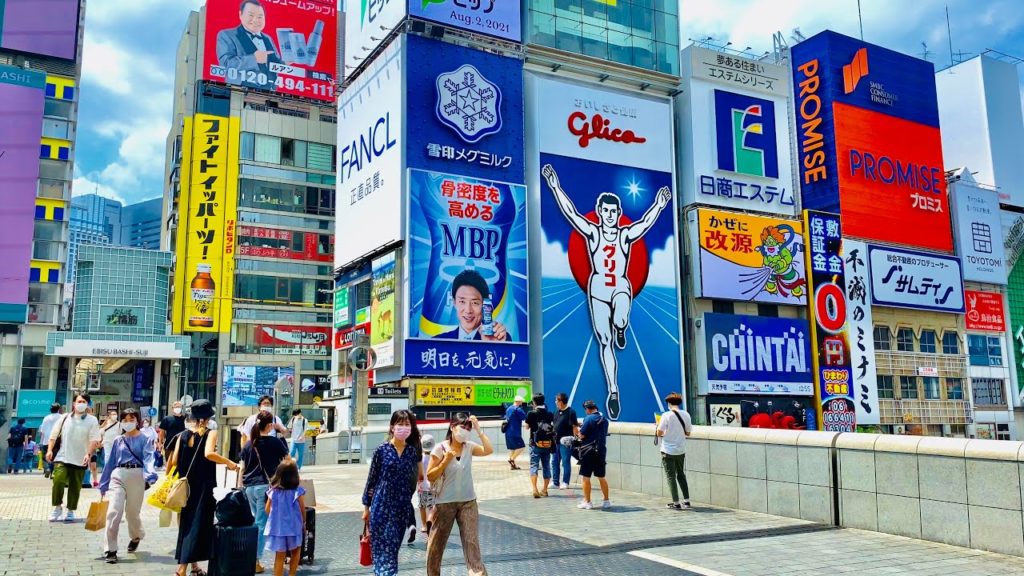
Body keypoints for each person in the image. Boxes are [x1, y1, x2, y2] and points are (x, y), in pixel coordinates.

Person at [542, 164, 672, 420]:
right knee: (605, 340)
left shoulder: (624, 235)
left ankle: (621, 327)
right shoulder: (592, 232)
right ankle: (613, 390)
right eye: (606, 211)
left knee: (621, 319)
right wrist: (555, 186)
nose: (610, 215)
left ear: (618, 212)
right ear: (600, 212)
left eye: (614, 211)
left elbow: (645, 224)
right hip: (598, 288)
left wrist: (659, 204)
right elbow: (571, 214)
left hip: (621, 286)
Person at [170, 400, 239, 576]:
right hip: (203, 486)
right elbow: (209, 453)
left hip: (186, 487)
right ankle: (182, 569)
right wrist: (229, 462)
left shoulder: (182, 435)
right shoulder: (210, 433)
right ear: (207, 418)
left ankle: (194, 567)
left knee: (187, 524)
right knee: (198, 526)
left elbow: (175, 460)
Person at [426, 413, 493, 576]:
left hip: (468, 502)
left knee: (472, 543)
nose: (465, 431)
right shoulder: (440, 448)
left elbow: (488, 450)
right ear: (452, 427)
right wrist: (445, 460)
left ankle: (477, 573)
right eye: (462, 427)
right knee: (436, 545)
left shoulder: (469, 447)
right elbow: (430, 475)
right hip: (445, 504)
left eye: (468, 428)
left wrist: (478, 429)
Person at [362, 410, 423, 575]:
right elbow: (371, 480)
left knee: (393, 549)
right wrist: (366, 508)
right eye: (400, 424)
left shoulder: (412, 452)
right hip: (381, 507)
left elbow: (415, 479)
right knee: (382, 550)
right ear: (392, 427)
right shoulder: (381, 451)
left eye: (407, 425)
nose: (404, 428)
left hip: (401, 509)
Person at [98, 408, 158, 564]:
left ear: (137, 421)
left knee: (132, 513)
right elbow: (110, 462)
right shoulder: (119, 440)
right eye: (124, 420)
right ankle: (110, 549)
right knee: (113, 512)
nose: (128, 422)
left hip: (137, 476)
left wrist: (150, 475)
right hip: (118, 476)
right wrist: (103, 484)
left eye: (131, 419)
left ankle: (136, 536)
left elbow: (148, 458)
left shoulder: (145, 438)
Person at [239, 411, 290, 574]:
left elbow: (242, 467)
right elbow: (288, 461)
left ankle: (252, 557)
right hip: (265, 488)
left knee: (256, 521)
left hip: (249, 488)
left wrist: (241, 485)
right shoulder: (274, 442)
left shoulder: (248, 444)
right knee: (261, 524)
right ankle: (254, 560)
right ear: (269, 426)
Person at [47, 393, 100, 522]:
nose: (81, 404)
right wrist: (49, 450)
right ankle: (57, 507)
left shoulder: (92, 420)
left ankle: (70, 510)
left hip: (80, 458)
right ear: (74, 403)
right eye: (78, 401)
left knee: (75, 486)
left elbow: (94, 440)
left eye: (83, 402)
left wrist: (88, 454)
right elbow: (53, 435)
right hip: (62, 456)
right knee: (58, 481)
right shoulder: (65, 418)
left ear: (87, 404)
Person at [215, 0, 282, 90]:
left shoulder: (268, 38)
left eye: (260, 17)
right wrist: (254, 59)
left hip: (270, 93)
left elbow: (275, 64)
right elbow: (226, 64)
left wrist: (286, 63)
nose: (255, 20)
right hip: (240, 91)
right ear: (241, 15)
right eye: (251, 15)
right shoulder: (227, 35)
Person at [434, 270, 508, 341]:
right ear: (454, 303)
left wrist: (493, 347)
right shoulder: (437, 342)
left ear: (484, 305)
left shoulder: (500, 338)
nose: (468, 310)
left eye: (475, 303)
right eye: (462, 301)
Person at [265, 459, 306, 576]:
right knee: (296, 552)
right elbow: (302, 509)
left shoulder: (273, 492)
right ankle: (292, 574)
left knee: (280, 556)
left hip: (278, 529)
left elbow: (267, 510)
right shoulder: (297, 491)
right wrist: (303, 522)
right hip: (294, 528)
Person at [658, 393, 693, 510]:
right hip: (680, 449)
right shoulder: (686, 415)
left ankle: (676, 502)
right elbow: (688, 433)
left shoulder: (666, 415)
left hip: (667, 450)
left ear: (669, 403)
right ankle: (687, 501)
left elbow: (659, 432)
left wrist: (661, 429)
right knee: (681, 474)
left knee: (670, 477)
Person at [576, 399, 611, 510]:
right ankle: (606, 501)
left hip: (588, 451)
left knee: (586, 477)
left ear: (587, 409)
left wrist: (578, 430)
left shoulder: (588, 418)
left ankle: (588, 502)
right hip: (601, 451)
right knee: (601, 477)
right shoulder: (604, 420)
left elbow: (581, 435)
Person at [524, 393, 555, 498]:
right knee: (546, 466)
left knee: (534, 466)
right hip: (547, 444)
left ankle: (535, 489)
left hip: (535, 443)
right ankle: (545, 490)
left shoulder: (531, 413)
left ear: (534, 402)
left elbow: (527, 427)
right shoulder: (550, 414)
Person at [550, 393, 579, 490]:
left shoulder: (571, 412)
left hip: (566, 442)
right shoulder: (556, 412)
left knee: (565, 462)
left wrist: (576, 438)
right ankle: (555, 482)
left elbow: (575, 426)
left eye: (556, 401)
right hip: (556, 441)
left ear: (561, 401)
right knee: (554, 462)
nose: (555, 402)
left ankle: (565, 482)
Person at [38, 403, 63, 478]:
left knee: (46, 456)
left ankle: (48, 468)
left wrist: (41, 442)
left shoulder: (46, 418)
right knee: (56, 457)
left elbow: (42, 431)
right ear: (59, 409)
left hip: (46, 440)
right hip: (57, 440)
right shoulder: (61, 417)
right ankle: (53, 472)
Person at [417, 434, 436, 535]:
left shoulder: (420, 458)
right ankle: (430, 521)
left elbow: (418, 473)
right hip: (432, 487)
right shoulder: (435, 457)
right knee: (431, 507)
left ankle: (424, 525)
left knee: (422, 506)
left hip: (421, 487)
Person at [502, 396, 526, 470]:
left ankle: (513, 465)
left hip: (508, 432)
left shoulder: (508, 409)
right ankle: (512, 459)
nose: (521, 403)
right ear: (519, 402)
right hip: (515, 432)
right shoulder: (518, 409)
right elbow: (525, 417)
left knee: (513, 449)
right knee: (521, 447)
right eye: (521, 402)